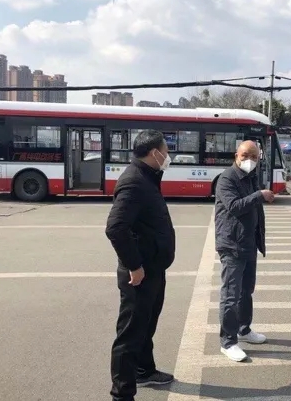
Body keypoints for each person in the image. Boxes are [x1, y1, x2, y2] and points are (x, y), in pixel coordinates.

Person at [105, 130, 176, 401]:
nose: (168, 156)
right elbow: (115, 228)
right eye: (165, 151)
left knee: (146, 326)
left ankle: (145, 370)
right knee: (130, 335)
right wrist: (134, 266)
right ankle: (122, 394)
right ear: (154, 153)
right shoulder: (134, 181)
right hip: (140, 273)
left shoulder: (148, 177)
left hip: (153, 268)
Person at [215, 140, 275, 362]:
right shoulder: (227, 178)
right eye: (245, 155)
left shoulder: (251, 177)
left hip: (248, 243)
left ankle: (244, 329)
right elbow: (234, 206)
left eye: (254, 157)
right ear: (236, 156)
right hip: (232, 244)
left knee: (246, 291)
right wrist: (259, 195)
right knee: (230, 295)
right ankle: (228, 342)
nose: (250, 160)